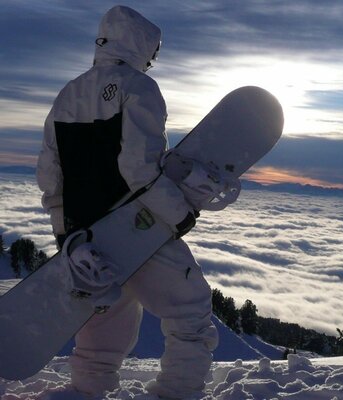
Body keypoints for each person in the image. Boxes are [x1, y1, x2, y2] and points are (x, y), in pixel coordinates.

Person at [36, 6, 218, 398]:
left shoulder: (68, 92)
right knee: (191, 314)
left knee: (103, 332)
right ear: (140, 45)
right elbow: (138, 168)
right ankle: (177, 392)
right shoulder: (139, 88)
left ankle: (84, 393)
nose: (153, 59)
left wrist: (67, 235)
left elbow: (51, 177)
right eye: (152, 51)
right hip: (137, 225)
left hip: (89, 239)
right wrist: (180, 214)